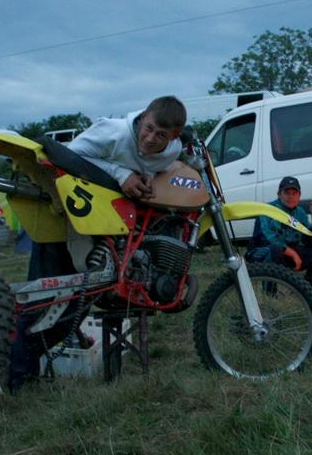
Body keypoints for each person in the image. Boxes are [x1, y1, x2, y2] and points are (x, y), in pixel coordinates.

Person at [10, 96, 187, 391]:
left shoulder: (174, 151)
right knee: (45, 301)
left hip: (105, 229)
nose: (150, 139)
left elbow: (156, 164)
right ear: (143, 117)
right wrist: (121, 174)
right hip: (67, 219)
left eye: (161, 135)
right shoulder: (114, 132)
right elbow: (67, 157)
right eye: (149, 128)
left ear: (174, 136)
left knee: (76, 307)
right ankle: (17, 378)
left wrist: (144, 178)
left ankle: (25, 370)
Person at [245, 176, 312, 288]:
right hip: (262, 252)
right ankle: (269, 293)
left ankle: (306, 290)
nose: (291, 197)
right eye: (287, 193)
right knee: (275, 250)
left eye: (294, 193)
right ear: (279, 194)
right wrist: (293, 255)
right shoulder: (268, 210)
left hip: (288, 254)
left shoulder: (300, 213)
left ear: (299, 196)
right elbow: (271, 240)